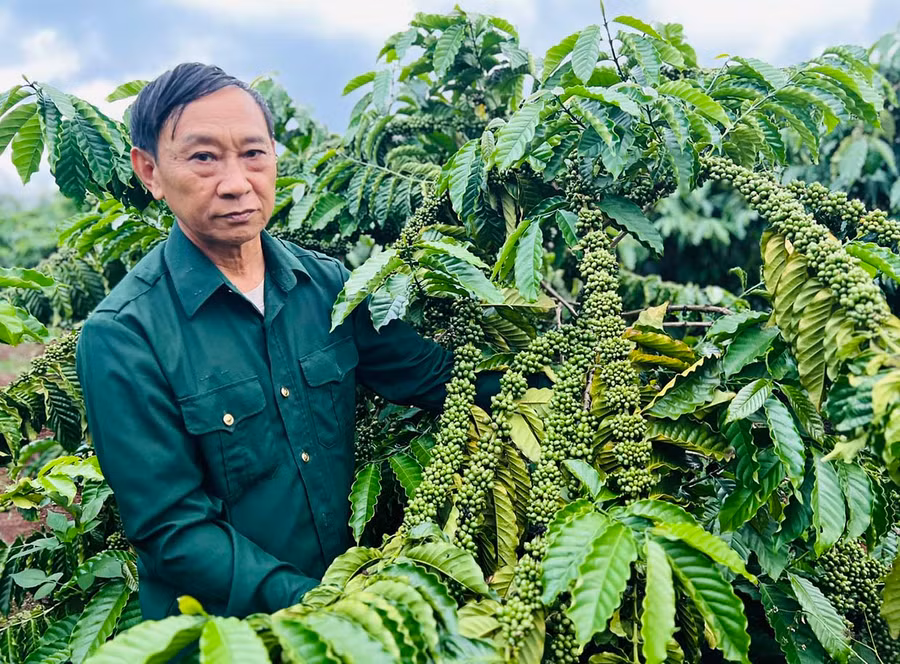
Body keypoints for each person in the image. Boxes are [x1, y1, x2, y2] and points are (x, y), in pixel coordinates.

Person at [76, 63, 500, 621]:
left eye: (253, 153)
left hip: (347, 614)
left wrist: (560, 387)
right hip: (227, 640)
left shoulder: (325, 286)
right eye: (203, 158)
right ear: (150, 172)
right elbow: (173, 531)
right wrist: (321, 606)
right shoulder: (123, 337)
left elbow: (430, 375)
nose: (235, 182)